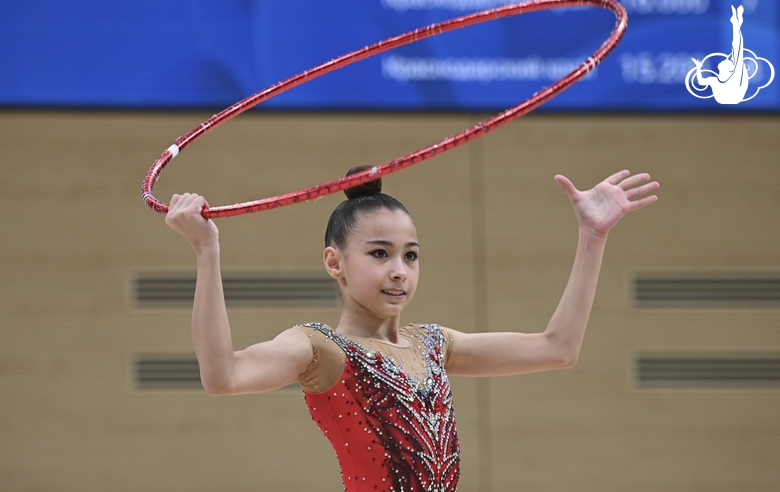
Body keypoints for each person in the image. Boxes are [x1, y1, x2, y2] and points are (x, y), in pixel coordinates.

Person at [164, 166, 659, 491]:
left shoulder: (434, 345)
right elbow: (221, 376)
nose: (399, 269)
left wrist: (593, 237)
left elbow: (558, 348)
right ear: (334, 262)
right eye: (379, 253)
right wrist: (207, 251)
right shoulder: (319, 348)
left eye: (411, 255)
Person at [692, 5, 748, 104]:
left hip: (734, 98)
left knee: (737, 51)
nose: (725, 59)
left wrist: (736, 26)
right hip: (725, 99)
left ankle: (736, 23)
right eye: (728, 60)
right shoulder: (714, 80)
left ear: (730, 69)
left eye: (728, 61)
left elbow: (737, 48)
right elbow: (701, 82)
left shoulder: (735, 78)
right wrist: (698, 67)